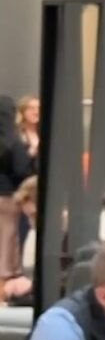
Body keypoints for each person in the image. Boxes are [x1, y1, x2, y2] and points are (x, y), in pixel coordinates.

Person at [0, 96, 31, 278]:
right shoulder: (14, 141)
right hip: (7, 194)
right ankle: (5, 274)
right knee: (8, 236)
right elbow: (21, 170)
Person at [3, 175, 36, 305]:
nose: (31, 223)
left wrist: (31, 286)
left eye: (34, 216)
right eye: (28, 217)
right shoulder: (32, 236)